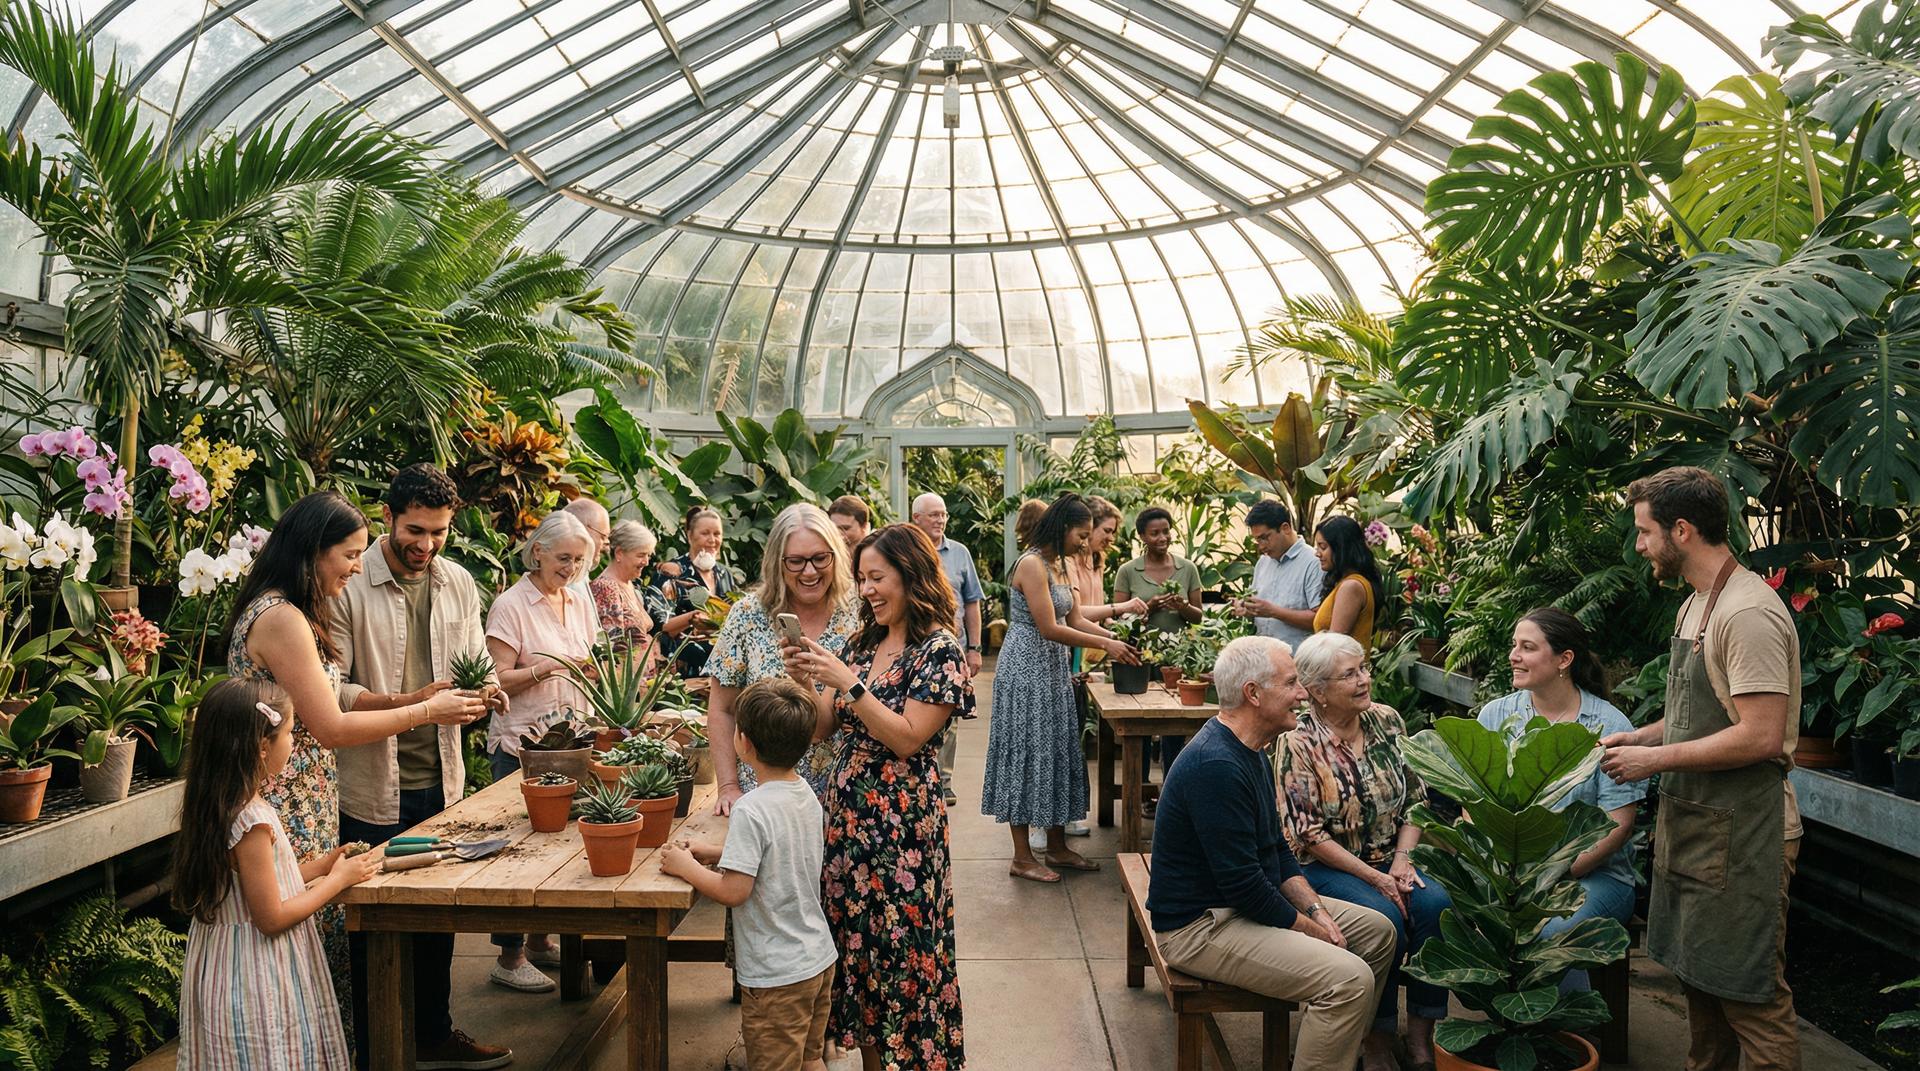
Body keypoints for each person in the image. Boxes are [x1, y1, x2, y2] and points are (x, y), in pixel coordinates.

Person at [227, 491, 485, 1044]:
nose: (354, 566)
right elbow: (330, 729)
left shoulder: (286, 610)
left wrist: (405, 698)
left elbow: (331, 699)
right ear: (311, 551)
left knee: (315, 945)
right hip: (288, 802)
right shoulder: (282, 619)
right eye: (348, 554)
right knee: (294, 941)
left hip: (301, 796)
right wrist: (425, 711)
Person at [1600, 466, 1802, 1071]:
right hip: (1700, 828)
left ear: (1681, 530)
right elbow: (1705, 713)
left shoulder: (1747, 613)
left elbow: (1762, 735)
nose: (1639, 546)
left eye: (1644, 532)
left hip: (1748, 838)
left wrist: (1653, 760)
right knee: (1700, 986)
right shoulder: (1696, 606)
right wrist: (1643, 735)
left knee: (1750, 997)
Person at [331, 463, 512, 1069]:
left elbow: (473, 659)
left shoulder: (457, 580)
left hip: (442, 781)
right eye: (415, 531)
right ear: (387, 517)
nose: (426, 546)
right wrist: (417, 704)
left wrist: (489, 691)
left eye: (438, 533)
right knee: (373, 924)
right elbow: (334, 692)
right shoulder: (348, 583)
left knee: (438, 919)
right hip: (366, 785)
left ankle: (434, 1032)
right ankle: (370, 1045)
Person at [1147, 637, 1398, 1071]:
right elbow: (1246, 888)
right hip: (1199, 927)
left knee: (1377, 931)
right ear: (1253, 693)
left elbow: (1276, 849)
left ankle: (1326, 1052)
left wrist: (1318, 912)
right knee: (1349, 979)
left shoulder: (1252, 749)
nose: (1303, 694)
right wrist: (1316, 934)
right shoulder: (1216, 766)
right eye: (1292, 683)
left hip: (1236, 908)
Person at [783, 524, 972, 1070]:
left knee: (904, 957)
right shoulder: (861, 643)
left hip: (904, 832)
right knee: (859, 957)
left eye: (877, 577)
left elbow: (909, 737)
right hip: (848, 826)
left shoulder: (939, 650)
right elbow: (822, 729)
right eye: (862, 578)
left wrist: (849, 683)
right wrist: (806, 679)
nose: (866, 589)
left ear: (911, 576)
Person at [173, 678, 383, 1069]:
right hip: (256, 971)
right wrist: (338, 881)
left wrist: (321, 867)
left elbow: (255, 884)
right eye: (289, 733)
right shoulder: (252, 821)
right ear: (261, 746)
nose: (294, 743)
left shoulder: (221, 805)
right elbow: (270, 917)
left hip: (224, 963)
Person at [1280, 631, 1451, 1069]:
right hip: (1324, 866)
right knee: (1385, 918)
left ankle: (1420, 1035)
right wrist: (1375, 877)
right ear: (1317, 692)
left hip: (1395, 857)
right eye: (1349, 674)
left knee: (1437, 905)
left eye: (1364, 669)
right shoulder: (1297, 742)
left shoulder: (1388, 721)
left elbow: (1416, 798)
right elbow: (1308, 835)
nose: (1364, 680)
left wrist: (1401, 859)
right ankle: (1375, 1036)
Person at [662, 679, 838, 1071]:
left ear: (743, 743)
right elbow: (777, 852)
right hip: (818, 959)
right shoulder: (806, 793)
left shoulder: (751, 808)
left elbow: (734, 890)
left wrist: (686, 867)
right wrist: (710, 852)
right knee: (810, 1060)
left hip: (778, 975)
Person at [1477, 608, 1643, 993]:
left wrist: (1554, 873)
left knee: (1553, 930)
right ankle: (1509, 1030)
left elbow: (1618, 824)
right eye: (1513, 646)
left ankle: (1561, 1033)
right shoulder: (1496, 716)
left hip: (1595, 876)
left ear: (1564, 659)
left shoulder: (1610, 726)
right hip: (1509, 874)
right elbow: (1475, 803)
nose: (1513, 656)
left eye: (1527, 647)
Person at [982, 493, 1140, 883]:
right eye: (1081, 535)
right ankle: (1021, 856)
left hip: (1051, 668)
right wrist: (1106, 644)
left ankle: (1056, 847)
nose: (1085, 543)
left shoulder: (1060, 565)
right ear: (1062, 528)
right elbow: (1049, 627)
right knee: (1025, 753)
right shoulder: (1032, 564)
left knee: (1055, 751)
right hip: (1025, 667)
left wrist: (1114, 637)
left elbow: (1073, 618)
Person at [483, 508, 598, 994]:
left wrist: (589, 671)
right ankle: (508, 957)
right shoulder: (511, 605)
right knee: (517, 852)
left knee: (557, 847)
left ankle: (538, 940)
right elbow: (495, 679)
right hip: (522, 745)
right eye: (563, 557)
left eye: (578, 559)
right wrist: (548, 668)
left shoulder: (576, 600)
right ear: (537, 552)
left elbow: (588, 658)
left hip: (570, 740)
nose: (570, 568)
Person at [709, 503, 858, 810]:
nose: (810, 571)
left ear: (836, 556)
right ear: (777, 562)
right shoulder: (749, 616)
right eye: (796, 562)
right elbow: (722, 708)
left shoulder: (857, 614)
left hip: (845, 798)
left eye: (820, 558)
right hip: (763, 800)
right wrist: (727, 786)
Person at [1114, 505, 1205, 783]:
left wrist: (1183, 606)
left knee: (1173, 730)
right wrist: (1149, 608)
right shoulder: (1129, 571)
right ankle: (1139, 788)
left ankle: (1171, 789)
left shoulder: (1186, 569)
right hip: (1138, 657)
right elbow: (1118, 618)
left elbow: (1199, 617)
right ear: (1142, 536)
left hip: (1176, 659)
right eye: (1154, 533)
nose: (1162, 537)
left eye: (1166, 531)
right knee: (1139, 725)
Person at [910, 492, 982, 807]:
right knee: (913, 710)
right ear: (917, 519)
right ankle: (918, 774)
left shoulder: (960, 553)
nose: (941, 520)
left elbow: (972, 603)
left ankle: (945, 780)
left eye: (943, 515)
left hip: (953, 649)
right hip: (913, 646)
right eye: (934, 515)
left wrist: (975, 648)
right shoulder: (904, 550)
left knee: (949, 713)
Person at [655, 505, 739, 678]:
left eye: (717, 534)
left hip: (722, 670)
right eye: (705, 533)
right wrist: (693, 618)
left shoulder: (725, 575)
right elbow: (659, 626)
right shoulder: (672, 573)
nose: (712, 540)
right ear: (689, 536)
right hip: (681, 673)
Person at [1233, 499, 1321, 651]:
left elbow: (1320, 620)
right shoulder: (1263, 562)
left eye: (1264, 537)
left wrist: (1274, 612)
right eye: (1257, 540)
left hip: (1297, 661)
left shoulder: (1314, 562)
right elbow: (1257, 608)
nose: (1261, 546)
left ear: (1285, 528)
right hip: (1264, 658)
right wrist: (1246, 610)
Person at [591, 520, 661, 669]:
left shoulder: (629, 584)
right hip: (624, 685)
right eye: (641, 555)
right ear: (619, 553)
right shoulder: (606, 588)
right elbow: (613, 648)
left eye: (648, 555)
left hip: (643, 682)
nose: (646, 562)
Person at [1311, 515, 1383, 652]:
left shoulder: (1351, 586)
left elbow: (1334, 645)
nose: (1317, 553)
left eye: (1323, 547)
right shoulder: (1345, 582)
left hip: (1342, 671)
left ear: (1341, 548)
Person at [562, 497, 611, 605]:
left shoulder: (580, 575)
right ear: (582, 529)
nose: (606, 546)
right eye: (603, 537)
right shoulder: (565, 576)